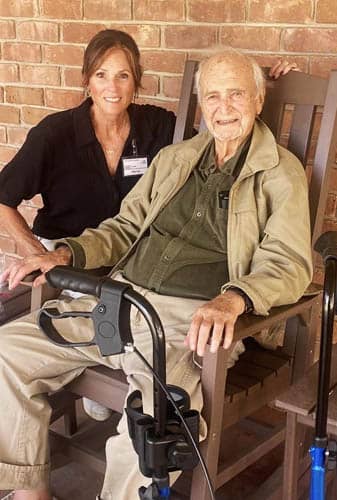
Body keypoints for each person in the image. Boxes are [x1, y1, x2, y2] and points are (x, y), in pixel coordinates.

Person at [0, 46, 312, 500]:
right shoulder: (176, 158)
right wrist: (67, 254)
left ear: (258, 101)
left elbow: (289, 263)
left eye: (236, 94)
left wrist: (234, 299)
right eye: (213, 97)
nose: (223, 108)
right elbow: (125, 227)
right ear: (201, 105)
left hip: (189, 320)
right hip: (120, 299)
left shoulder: (280, 173)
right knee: (8, 350)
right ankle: (29, 492)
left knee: (157, 417)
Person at [0, 28, 176, 421]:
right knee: (108, 318)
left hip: (126, 253)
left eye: (123, 75)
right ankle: (96, 375)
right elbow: (3, 199)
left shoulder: (157, 127)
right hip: (68, 253)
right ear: (86, 80)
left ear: (136, 81)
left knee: (147, 312)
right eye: (101, 74)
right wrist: (37, 253)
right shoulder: (55, 134)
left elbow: (218, 129)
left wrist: (261, 82)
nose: (112, 86)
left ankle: (106, 377)